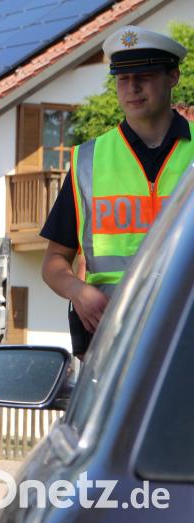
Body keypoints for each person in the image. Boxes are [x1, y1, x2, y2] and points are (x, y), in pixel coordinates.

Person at [41, 26, 192, 356]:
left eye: (144, 76)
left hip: (185, 341)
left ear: (173, 76)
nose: (132, 88)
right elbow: (54, 261)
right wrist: (78, 291)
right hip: (113, 346)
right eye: (123, 79)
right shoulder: (87, 160)